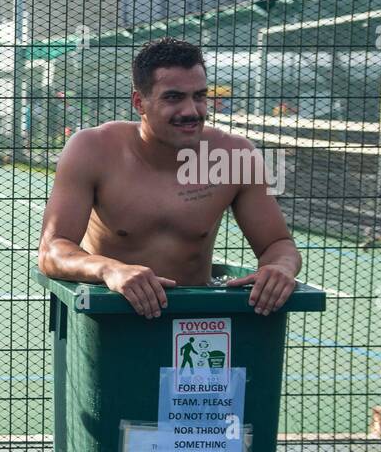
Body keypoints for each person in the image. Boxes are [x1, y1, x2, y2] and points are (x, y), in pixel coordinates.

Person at [38, 37, 300, 318]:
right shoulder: (92, 149)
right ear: (139, 102)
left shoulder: (234, 154)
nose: (191, 111)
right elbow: (52, 250)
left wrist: (279, 268)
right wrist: (109, 269)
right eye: (174, 97)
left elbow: (278, 244)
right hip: (112, 317)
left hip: (195, 320)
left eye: (199, 96)